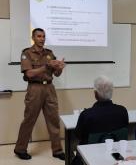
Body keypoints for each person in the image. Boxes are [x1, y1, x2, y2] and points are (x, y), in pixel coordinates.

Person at [14, 28, 65, 160]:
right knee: (29, 120)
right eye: (39, 36)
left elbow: (56, 74)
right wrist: (46, 67)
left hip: (49, 88)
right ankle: (20, 149)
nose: (42, 39)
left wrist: (59, 68)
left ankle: (57, 150)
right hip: (35, 88)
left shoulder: (49, 53)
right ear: (33, 38)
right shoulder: (27, 53)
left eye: (43, 36)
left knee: (53, 120)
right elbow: (29, 73)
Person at [72, 75, 129, 165]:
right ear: (112, 92)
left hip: (91, 157)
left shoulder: (86, 115)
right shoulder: (123, 111)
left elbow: (78, 136)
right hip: (116, 157)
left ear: (95, 93)